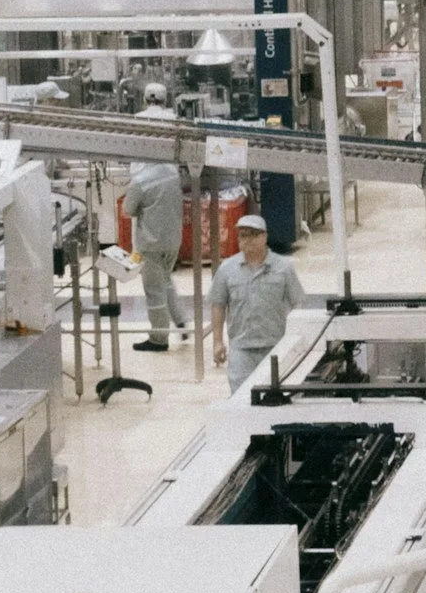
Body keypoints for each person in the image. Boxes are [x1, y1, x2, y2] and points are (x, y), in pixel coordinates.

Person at [208, 213, 308, 393]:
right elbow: (218, 304)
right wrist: (217, 342)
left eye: (254, 235)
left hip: (275, 345)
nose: (248, 240)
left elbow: (298, 303)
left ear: (265, 237)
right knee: (240, 396)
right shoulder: (227, 269)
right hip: (241, 348)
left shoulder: (283, 267)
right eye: (243, 235)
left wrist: (296, 339)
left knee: (276, 395)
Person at [118, 85, 185, 352]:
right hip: (173, 239)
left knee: (154, 291)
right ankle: (181, 321)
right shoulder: (172, 174)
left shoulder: (141, 180)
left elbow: (127, 211)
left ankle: (159, 338)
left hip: (151, 243)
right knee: (166, 281)